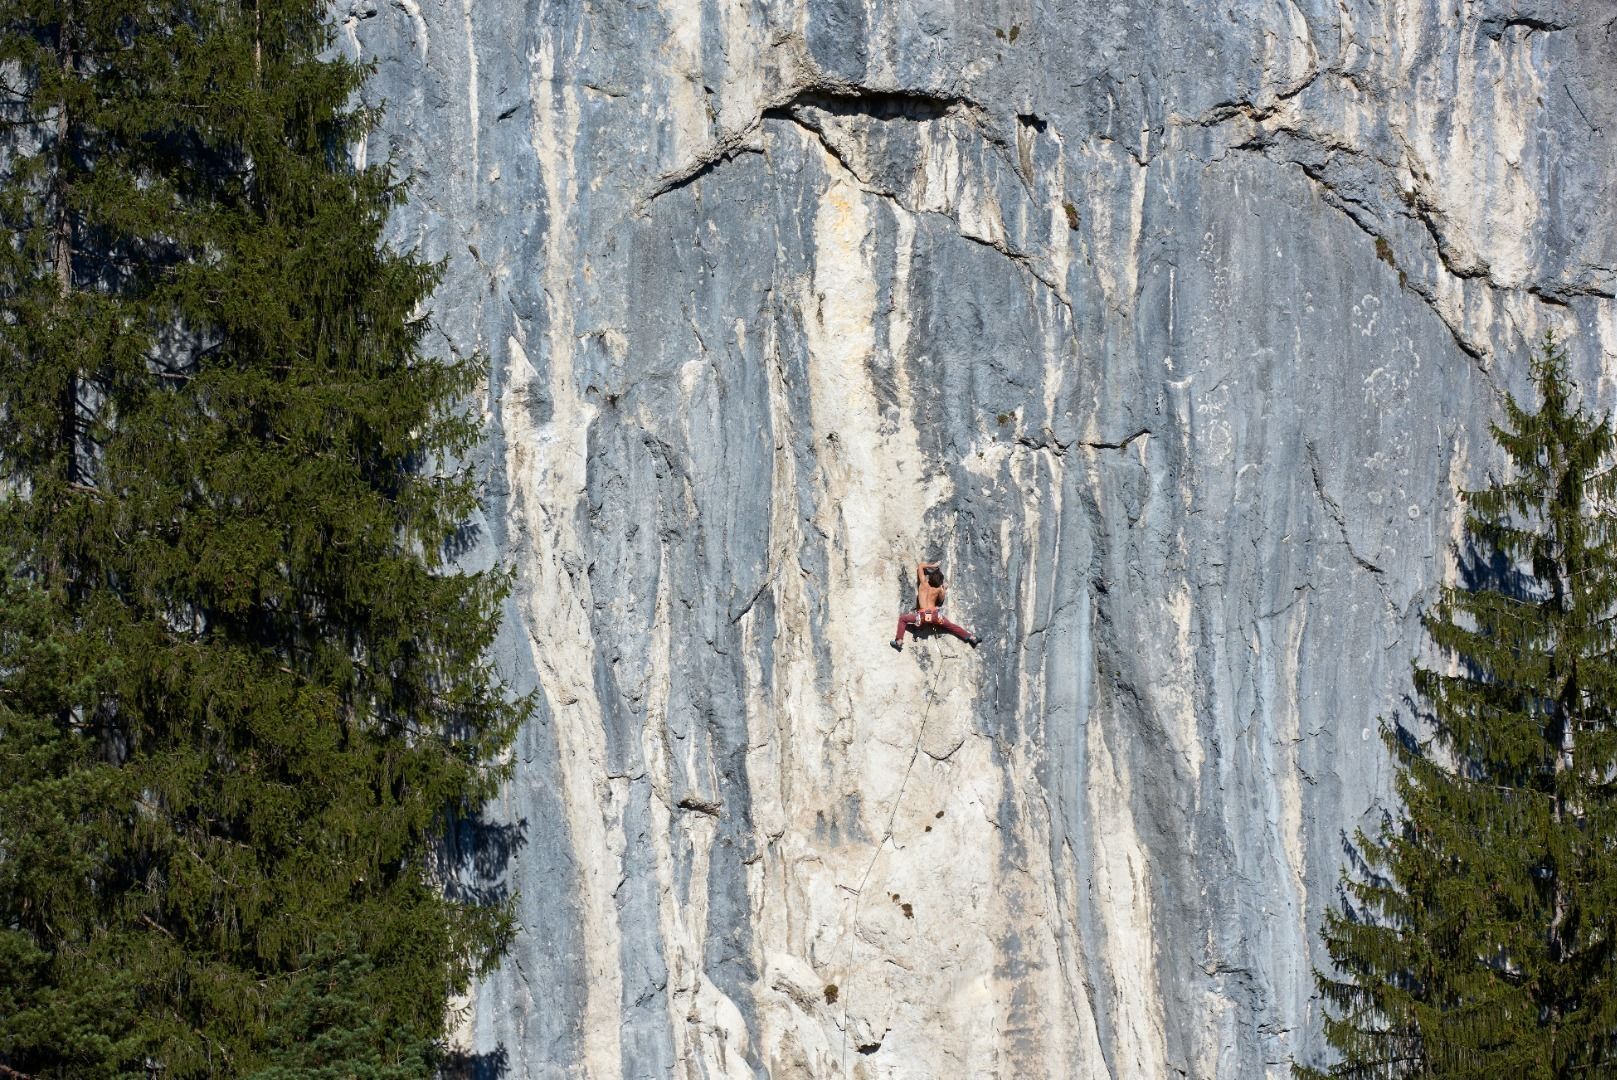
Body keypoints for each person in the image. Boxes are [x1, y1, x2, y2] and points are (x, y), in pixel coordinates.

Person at [892, 560, 981, 651]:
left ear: (930, 578)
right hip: (935, 616)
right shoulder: (938, 589)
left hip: (921, 616)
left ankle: (899, 641)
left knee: (903, 619)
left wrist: (933, 565)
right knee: (951, 626)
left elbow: (920, 566)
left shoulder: (923, 583)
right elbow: (941, 600)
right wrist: (944, 589)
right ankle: (971, 638)